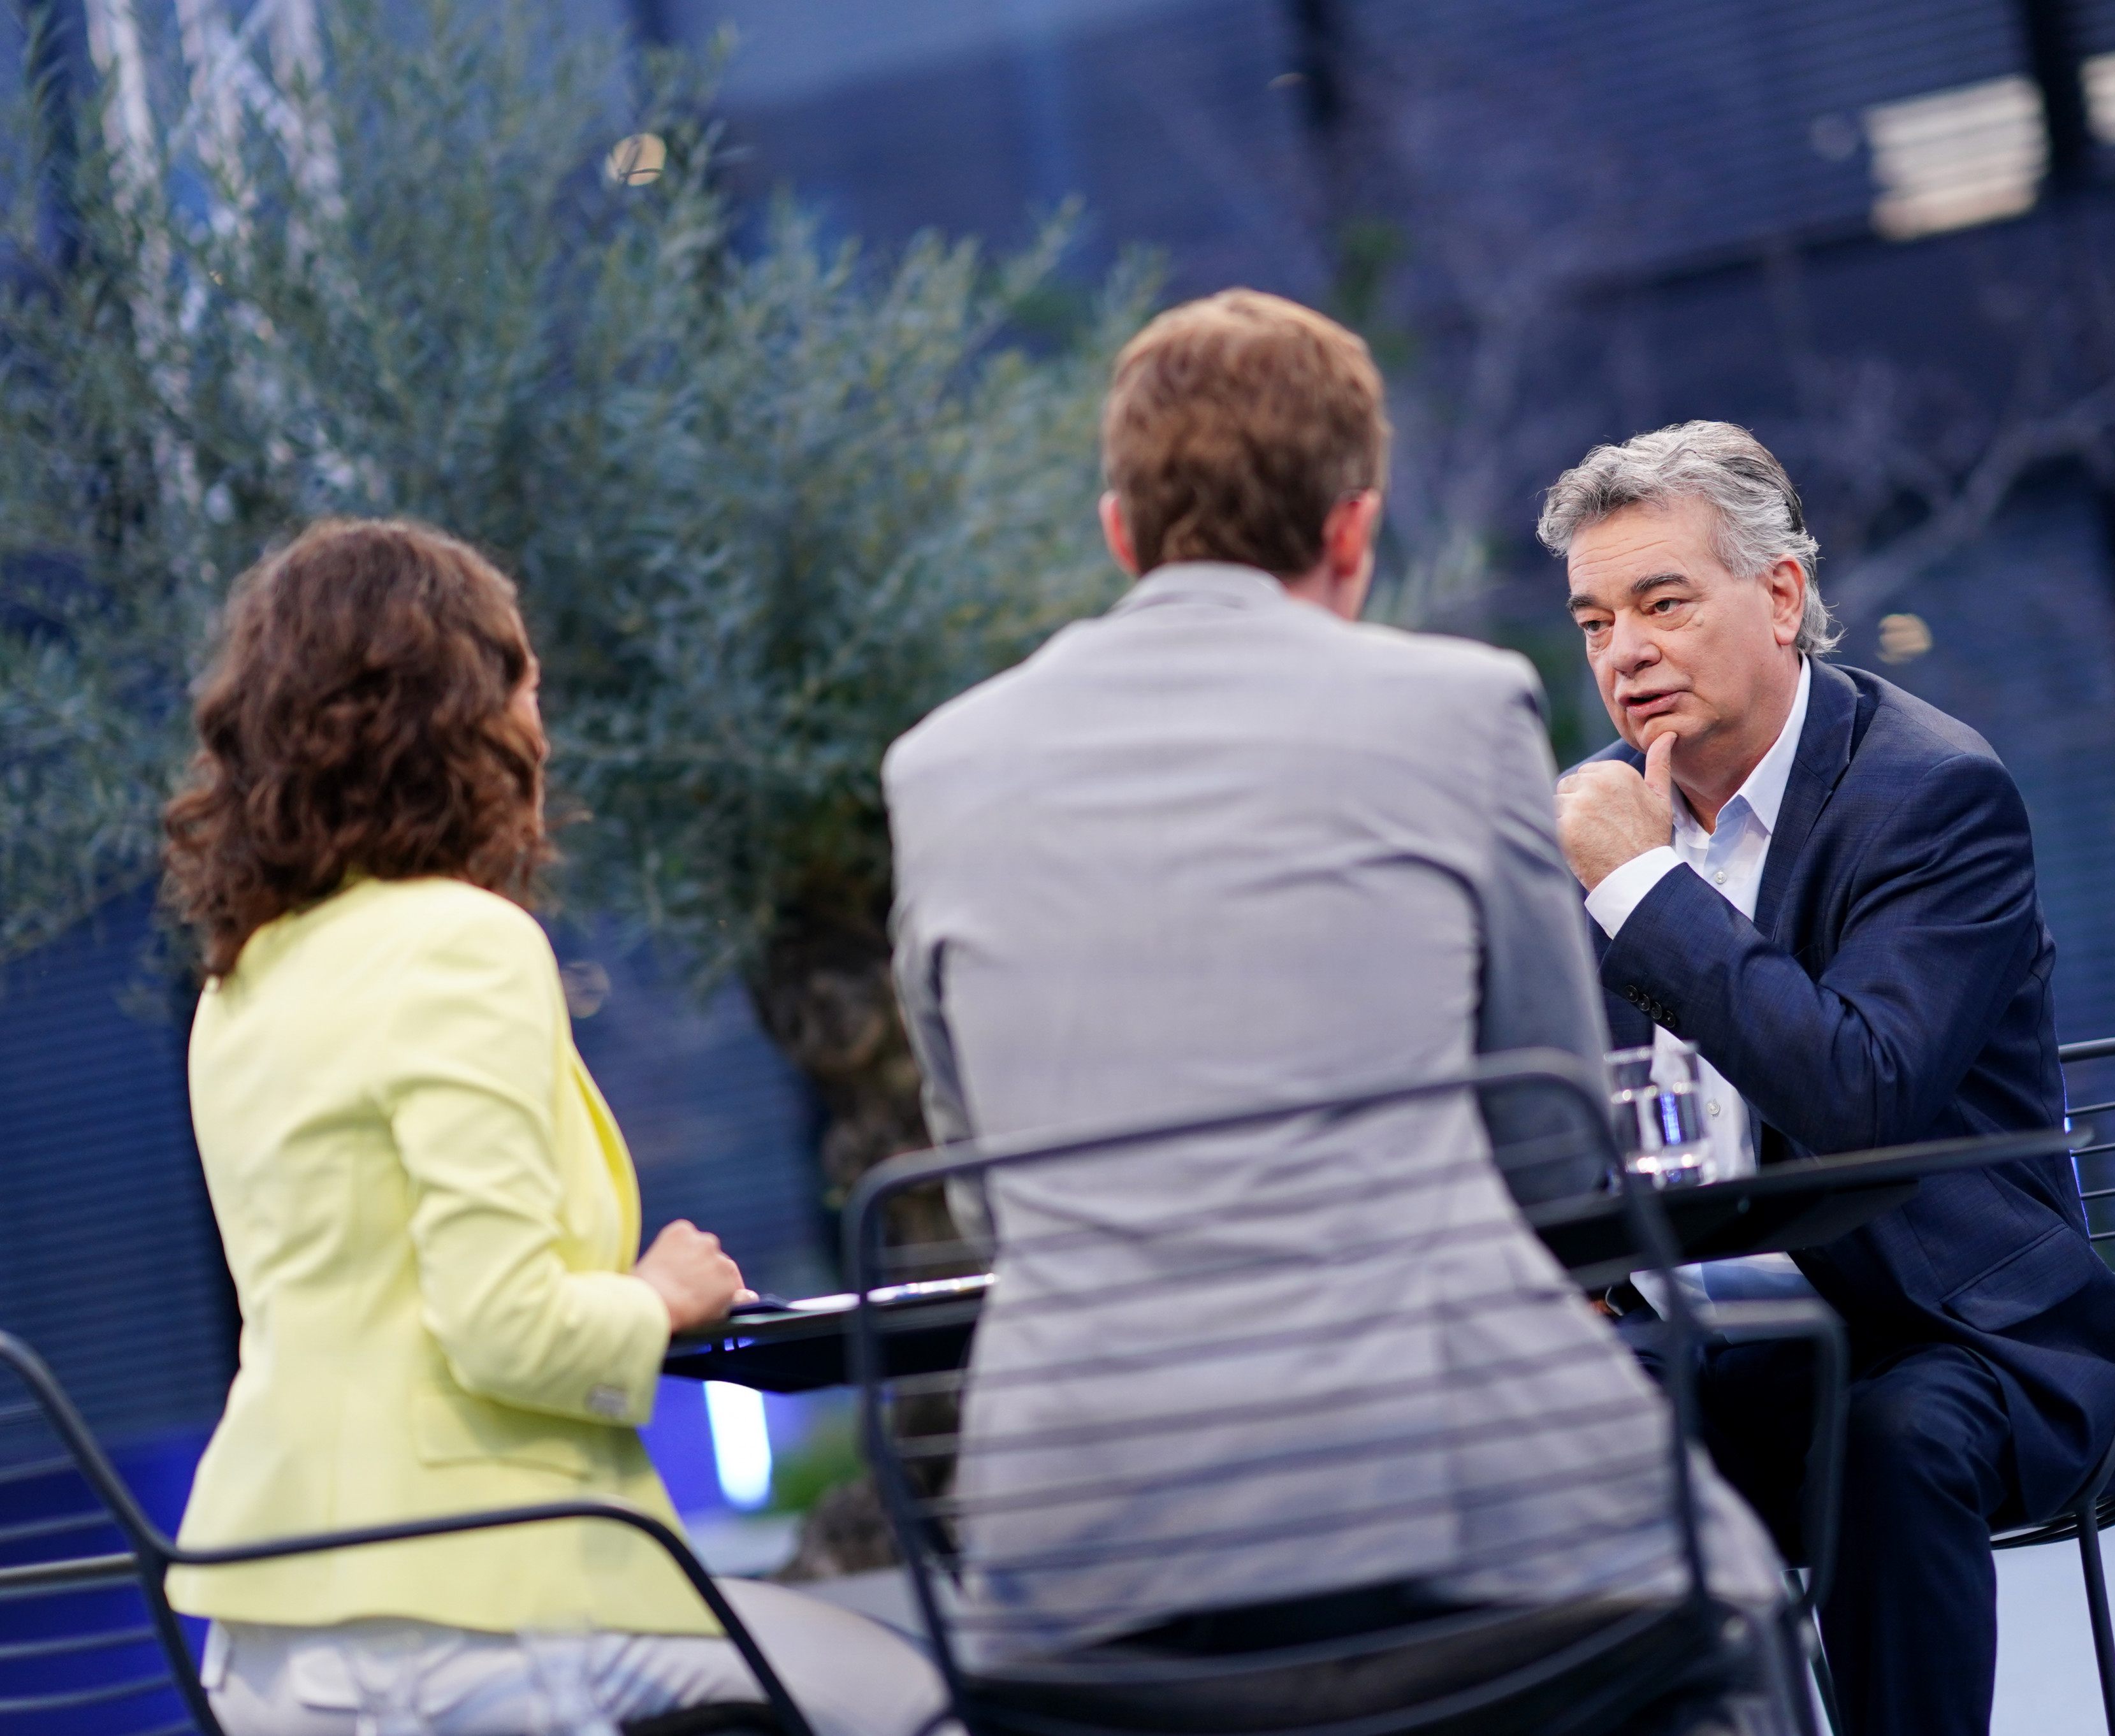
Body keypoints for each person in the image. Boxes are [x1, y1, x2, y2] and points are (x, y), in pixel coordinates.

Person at [882, 292, 1792, 1727]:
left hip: (1078, 1563)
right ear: (1355, 530)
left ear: (1121, 537)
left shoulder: (935, 768)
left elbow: (989, 1194)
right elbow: (1552, 1158)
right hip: (1434, 1499)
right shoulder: (1457, 710)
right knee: (1732, 1600)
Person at [161, 519, 948, 1736]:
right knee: (915, 1696)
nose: (543, 712)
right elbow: (507, 1330)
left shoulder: (240, 986)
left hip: (268, 1655)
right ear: (457, 719)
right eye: (522, 674)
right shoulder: (467, 945)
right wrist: (662, 1295)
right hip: (473, 1623)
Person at [1544, 422, 2115, 1736]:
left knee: (1892, 1439)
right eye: (1593, 621)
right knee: (1521, 1423)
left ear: (1780, 596)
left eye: (1661, 602)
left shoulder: (1931, 794)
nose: (1623, 651)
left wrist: (1641, 887)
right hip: (1710, 1327)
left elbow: (1859, 1090)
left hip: (1951, 1324)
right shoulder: (1589, 813)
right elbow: (1540, 1097)